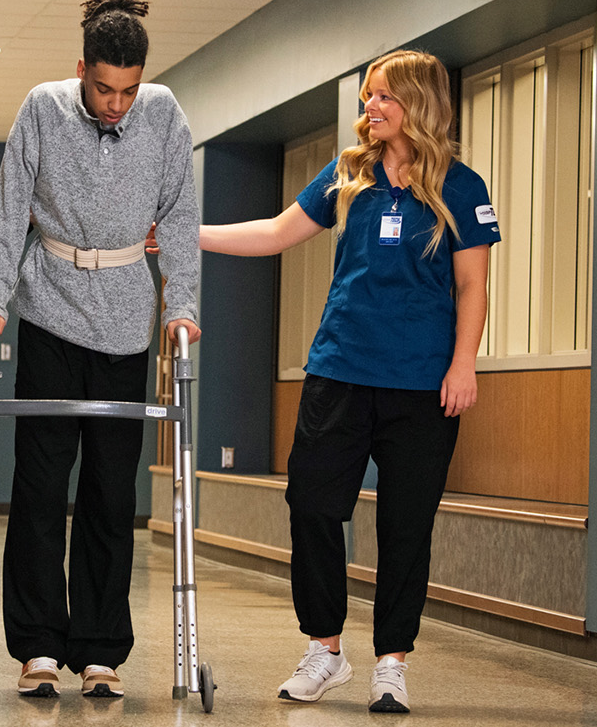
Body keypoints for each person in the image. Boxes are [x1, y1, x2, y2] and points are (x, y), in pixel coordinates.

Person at [198, 49, 498, 714]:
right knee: (310, 503)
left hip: (423, 383)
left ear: (416, 102)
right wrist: (194, 235)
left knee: (405, 524)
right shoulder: (347, 175)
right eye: (368, 97)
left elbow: (473, 283)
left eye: (383, 97)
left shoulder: (463, 186)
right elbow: (278, 232)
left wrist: (463, 362)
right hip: (339, 369)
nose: (371, 108)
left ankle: (392, 662)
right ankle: (325, 650)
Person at [0, 0, 201, 699]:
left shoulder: (164, 118)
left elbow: (183, 220)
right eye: (104, 89)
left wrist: (180, 308)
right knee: (40, 485)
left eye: (128, 91)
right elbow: (9, 212)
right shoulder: (42, 108)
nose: (116, 104)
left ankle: (101, 647)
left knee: (109, 489)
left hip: (127, 319)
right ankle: (37, 645)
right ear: (82, 70)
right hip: (48, 310)